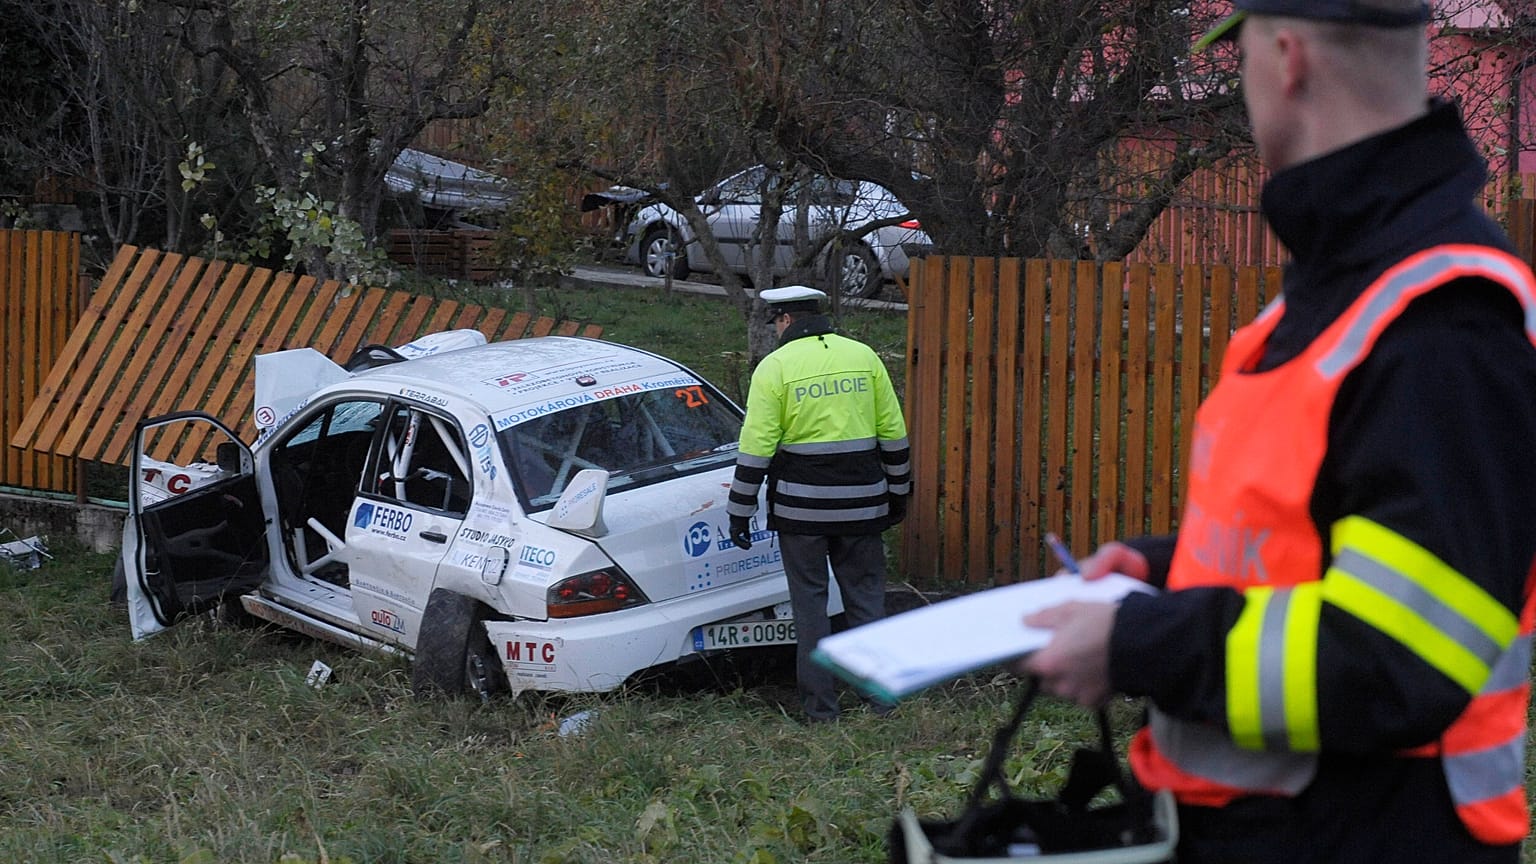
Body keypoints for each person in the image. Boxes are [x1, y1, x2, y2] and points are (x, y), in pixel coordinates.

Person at [1019, 2, 1536, 861]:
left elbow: (1395, 657)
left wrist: (1139, 641)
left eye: (1242, 57)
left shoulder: (1445, 324)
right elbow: (1305, 535)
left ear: (1288, 59)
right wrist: (1158, 571)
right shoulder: (1347, 283)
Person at [728, 284, 911, 723]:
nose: (775, 331)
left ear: (786, 320)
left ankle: (821, 710)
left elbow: (756, 448)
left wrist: (740, 509)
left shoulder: (775, 368)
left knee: (810, 606)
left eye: (775, 323)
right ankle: (880, 699)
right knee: (865, 600)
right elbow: (893, 433)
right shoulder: (864, 357)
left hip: (801, 513)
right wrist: (899, 494)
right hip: (864, 506)